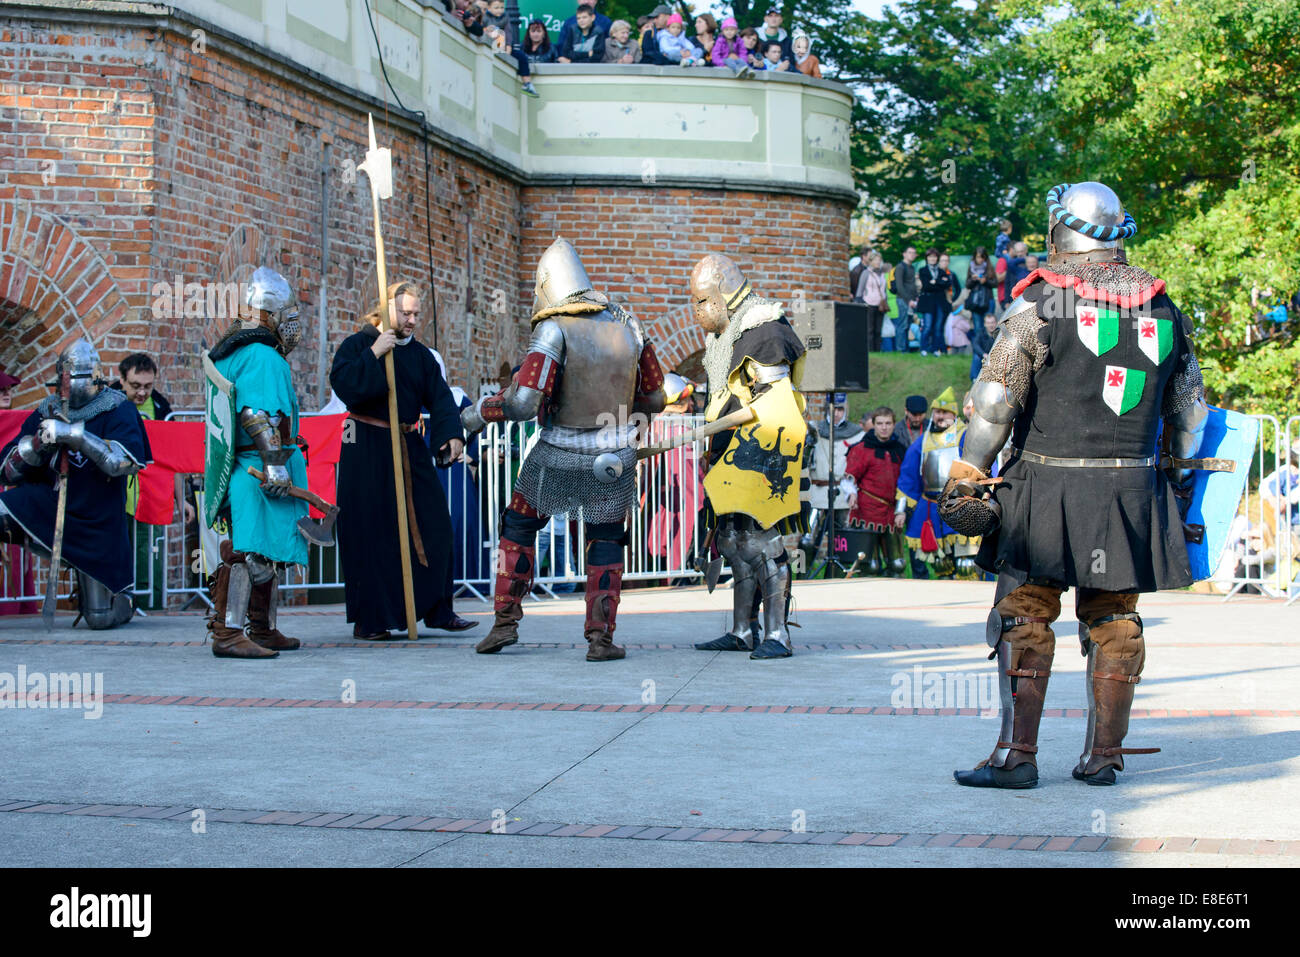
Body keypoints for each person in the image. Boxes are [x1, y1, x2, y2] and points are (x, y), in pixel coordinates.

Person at [945, 181, 1209, 789]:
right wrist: (1177, 472)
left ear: (1062, 230)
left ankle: (1016, 756)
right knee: (1115, 617)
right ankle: (1103, 758)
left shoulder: (1042, 303)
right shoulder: (1164, 310)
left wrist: (967, 474)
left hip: (1044, 486)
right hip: (1130, 491)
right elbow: (1192, 415)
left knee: (1024, 615)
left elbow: (992, 404)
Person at [462, 238, 667, 661]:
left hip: (554, 452)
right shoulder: (628, 325)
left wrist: (480, 412)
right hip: (612, 458)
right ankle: (600, 640)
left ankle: (504, 624)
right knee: (606, 540)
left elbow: (523, 404)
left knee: (518, 528)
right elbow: (656, 398)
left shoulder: (552, 329)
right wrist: (630, 430)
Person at [329, 281, 470, 640]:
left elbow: (440, 398)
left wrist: (450, 435)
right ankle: (371, 620)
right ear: (385, 309)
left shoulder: (420, 355)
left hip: (408, 444)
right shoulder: (357, 345)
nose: (411, 320)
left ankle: (438, 609)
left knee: (435, 523)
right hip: (366, 447)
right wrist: (375, 352)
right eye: (405, 313)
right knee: (371, 533)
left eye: (416, 314)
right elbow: (345, 385)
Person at [689, 253, 807, 659]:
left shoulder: (764, 328)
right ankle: (743, 629)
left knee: (763, 542)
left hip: (763, 449)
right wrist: (710, 442)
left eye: (702, 301)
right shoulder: (724, 336)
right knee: (732, 540)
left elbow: (771, 404)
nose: (699, 310)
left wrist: (704, 430)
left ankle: (778, 635)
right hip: (728, 449)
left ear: (722, 293)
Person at [1, 341, 150, 628]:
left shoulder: (118, 408)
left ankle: (123, 600)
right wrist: (36, 445)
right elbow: (6, 472)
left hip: (98, 519)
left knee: (100, 619)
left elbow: (124, 463)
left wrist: (75, 435)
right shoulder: (48, 410)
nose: (68, 388)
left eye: (74, 380)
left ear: (95, 378)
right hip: (47, 504)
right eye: (64, 381)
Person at [201, 268, 311, 657]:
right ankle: (228, 632)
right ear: (270, 314)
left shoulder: (231, 352)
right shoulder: (263, 356)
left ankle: (263, 627)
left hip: (242, 467)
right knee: (246, 551)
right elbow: (256, 414)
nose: (292, 323)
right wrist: (276, 466)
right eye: (287, 312)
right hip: (257, 467)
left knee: (264, 549)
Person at [895, 388, 969, 580]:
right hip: (930, 504)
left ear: (954, 414)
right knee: (929, 556)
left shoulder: (965, 436)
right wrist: (901, 509)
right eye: (937, 412)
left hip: (958, 503)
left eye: (945, 412)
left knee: (965, 564)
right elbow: (908, 476)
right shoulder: (924, 440)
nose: (940, 416)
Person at [845, 406, 907, 575]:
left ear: (894, 424)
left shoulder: (900, 449)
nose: (884, 427)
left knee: (897, 563)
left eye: (888, 423)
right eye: (880, 423)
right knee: (870, 565)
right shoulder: (861, 449)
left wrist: (901, 510)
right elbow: (849, 478)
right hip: (867, 511)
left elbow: (906, 483)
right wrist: (851, 494)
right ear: (874, 424)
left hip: (891, 513)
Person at [805, 395, 862, 563]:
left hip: (843, 493)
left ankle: (838, 579)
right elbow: (804, 460)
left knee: (841, 543)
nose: (836, 413)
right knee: (806, 541)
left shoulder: (857, 434)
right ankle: (799, 576)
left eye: (840, 409)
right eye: (832, 408)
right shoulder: (814, 430)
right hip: (818, 492)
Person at [916, 248, 952, 356]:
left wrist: (935, 282)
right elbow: (926, 286)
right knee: (927, 326)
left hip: (940, 302)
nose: (932, 259)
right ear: (927, 258)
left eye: (934, 256)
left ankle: (935, 349)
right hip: (927, 302)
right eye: (930, 256)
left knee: (938, 326)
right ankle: (924, 348)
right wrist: (939, 283)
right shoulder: (923, 270)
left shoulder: (941, 271)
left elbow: (947, 283)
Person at [856, 251, 888, 352]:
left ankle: (877, 350)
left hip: (880, 304)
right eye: (876, 260)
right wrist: (860, 303)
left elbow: (884, 289)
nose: (878, 262)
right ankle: (869, 350)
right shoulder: (866, 273)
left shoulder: (882, 274)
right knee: (869, 329)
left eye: (879, 260)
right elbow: (860, 290)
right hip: (868, 302)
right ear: (871, 261)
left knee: (878, 330)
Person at [965, 246, 995, 331]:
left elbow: (995, 283)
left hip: (988, 300)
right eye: (978, 257)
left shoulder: (989, 267)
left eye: (982, 257)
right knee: (978, 328)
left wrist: (985, 281)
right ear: (975, 257)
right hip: (975, 302)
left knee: (990, 327)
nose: (980, 259)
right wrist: (973, 280)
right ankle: (979, 344)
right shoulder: (971, 268)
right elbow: (967, 285)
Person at [893, 246, 919, 344]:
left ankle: (905, 348)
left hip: (911, 300)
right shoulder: (900, 267)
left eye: (914, 253)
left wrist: (916, 297)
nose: (912, 255)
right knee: (902, 325)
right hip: (903, 300)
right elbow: (899, 286)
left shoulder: (912, 268)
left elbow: (912, 284)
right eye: (910, 252)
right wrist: (908, 301)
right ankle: (901, 349)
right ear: (904, 254)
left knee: (908, 325)